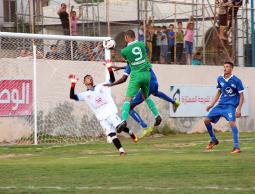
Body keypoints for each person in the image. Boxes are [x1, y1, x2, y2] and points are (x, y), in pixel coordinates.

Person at [69, 67, 138, 156]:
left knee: (120, 127)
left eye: (90, 77)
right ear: (84, 82)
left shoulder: (101, 86)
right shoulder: (85, 95)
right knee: (112, 134)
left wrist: (109, 68)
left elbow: (112, 80)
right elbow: (72, 96)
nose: (90, 78)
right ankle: (122, 151)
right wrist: (73, 84)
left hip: (109, 112)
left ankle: (131, 134)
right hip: (101, 117)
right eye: (87, 78)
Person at [105, 64, 180, 134]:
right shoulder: (141, 58)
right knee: (155, 93)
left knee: (129, 107)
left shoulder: (130, 60)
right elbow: (133, 65)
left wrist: (112, 84)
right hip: (154, 81)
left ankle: (145, 126)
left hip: (146, 83)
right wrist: (121, 68)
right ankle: (174, 102)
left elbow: (125, 75)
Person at [116, 30, 162, 131]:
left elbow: (129, 63)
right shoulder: (142, 44)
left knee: (128, 99)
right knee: (145, 97)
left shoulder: (124, 51)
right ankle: (157, 115)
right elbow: (141, 57)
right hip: (147, 75)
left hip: (136, 76)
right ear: (134, 36)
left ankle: (123, 120)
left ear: (126, 38)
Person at [204, 61, 244, 154]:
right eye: (224, 66)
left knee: (232, 123)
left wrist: (239, 109)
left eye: (227, 67)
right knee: (206, 120)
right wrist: (212, 104)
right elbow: (219, 92)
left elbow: (242, 96)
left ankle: (236, 147)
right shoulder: (220, 78)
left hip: (230, 106)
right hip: (220, 105)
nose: (225, 68)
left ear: (231, 69)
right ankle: (213, 140)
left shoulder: (236, 80)